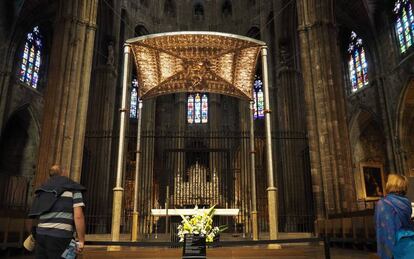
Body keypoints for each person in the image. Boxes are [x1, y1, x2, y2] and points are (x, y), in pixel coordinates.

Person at [29, 165, 86, 259]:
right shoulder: (73, 189)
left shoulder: (42, 190)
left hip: (41, 235)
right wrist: (81, 240)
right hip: (61, 237)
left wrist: (34, 234)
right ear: (63, 173)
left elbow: (34, 214)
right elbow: (78, 216)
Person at [375, 174, 414, 259]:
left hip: (395, 244)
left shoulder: (383, 203)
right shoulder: (406, 202)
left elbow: (384, 230)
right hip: (409, 242)